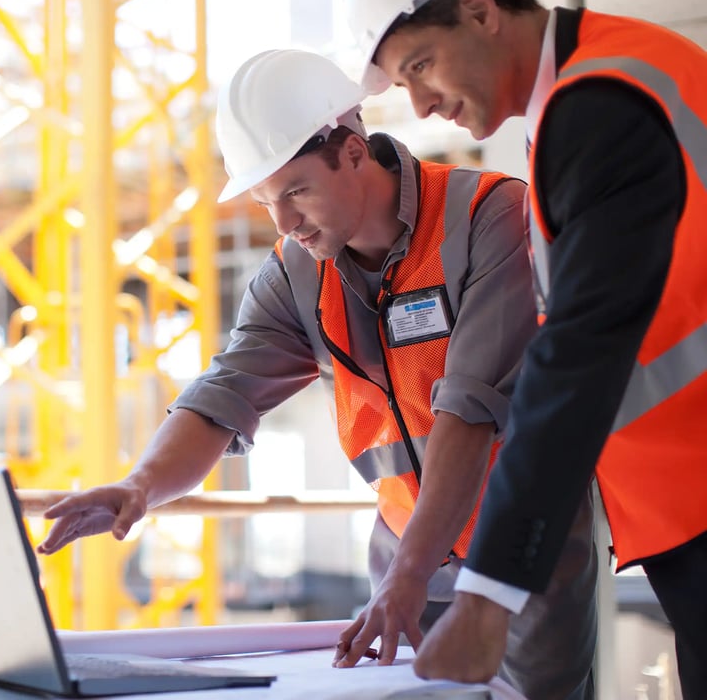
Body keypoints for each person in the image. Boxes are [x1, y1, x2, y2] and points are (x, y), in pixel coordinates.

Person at [36, 48, 596, 698]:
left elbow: (470, 412)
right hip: (403, 556)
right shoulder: (297, 271)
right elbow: (225, 392)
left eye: (297, 190)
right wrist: (142, 485)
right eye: (266, 199)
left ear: (354, 151)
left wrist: (408, 578)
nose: (284, 222)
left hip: (518, 554)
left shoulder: (487, 217)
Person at [342, 0, 707, 697]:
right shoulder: (608, 82)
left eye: (420, 66)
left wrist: (488, 593)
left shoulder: (601, 105)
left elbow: (577, 353)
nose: (418, 106)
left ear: (480, 10)